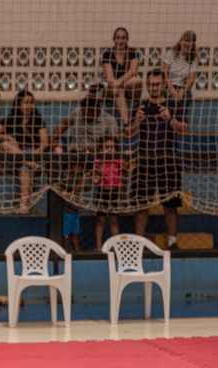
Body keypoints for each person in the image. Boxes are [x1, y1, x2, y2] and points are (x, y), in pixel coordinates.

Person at [126, 69, 188, 244]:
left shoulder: (174, 105)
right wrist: (137, 121)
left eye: (157, 84)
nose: (154, 88)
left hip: (168, 161)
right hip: (144, 161)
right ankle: (139, 243)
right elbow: (127, 134)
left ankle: (172, 243)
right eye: (151, 84)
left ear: (164, 85)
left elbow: (184, 130)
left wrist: (169, 119)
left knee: (170, 205)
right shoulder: (139, 107)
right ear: (147, 85)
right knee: (141, 206)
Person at [0, 89, 47, 214]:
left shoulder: (38, 120)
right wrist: (8, 137)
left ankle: (23, 205)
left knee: (25, 168)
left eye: (31, 102)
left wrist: (33, 154)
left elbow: (45, 142)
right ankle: (29, 163)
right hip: (14, 160)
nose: (29, 106)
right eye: (25, 103)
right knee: (5, 144)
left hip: (33, 156)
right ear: (18, 105)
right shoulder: (10, 120)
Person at [88, 133, 126, 246]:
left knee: (114, 220)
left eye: (112, 147)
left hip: (114, 192)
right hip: (102, 192)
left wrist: (128, 156)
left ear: (116, 149)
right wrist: (103, 160)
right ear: (101, 149)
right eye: (106, 147)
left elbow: (125, 171)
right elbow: (96, 174)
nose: (109, 150)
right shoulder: (98, 161)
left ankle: (115, 246)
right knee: (101, 220)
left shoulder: (118, 160)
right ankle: (99, 246)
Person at [50, 94, 120, 152]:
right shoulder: (77, 113)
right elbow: (64, 123)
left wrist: (96, 150)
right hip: (74, 153)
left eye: (86, 113)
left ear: (96, 111)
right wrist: (53, 138)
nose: (83, 115)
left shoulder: (109, 120)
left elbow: (114, 144)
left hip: (96, 155)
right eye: (82, 112)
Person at [101, 28, 143, 125]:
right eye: (118, 38)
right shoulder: (108, 54)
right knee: (117, 89)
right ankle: (127, 124)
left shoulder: (133, 53)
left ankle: (117, 86)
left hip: (129, 87)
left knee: (138, 80)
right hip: (113, 89)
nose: (120, 41)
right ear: (114, 39)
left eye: (123, 38)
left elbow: (132, 71)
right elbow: (109, 77)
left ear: (127, 39)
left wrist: (119, 82)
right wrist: (115, 85)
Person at [162, 31, 198, 120]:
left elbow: (191, 79)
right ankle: (169, 120)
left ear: (193, 45)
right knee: (169, 97)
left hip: (182, 87)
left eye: (189, 42)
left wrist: (183, 90)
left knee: (187, 96)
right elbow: (164, 73)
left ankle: (180, 122)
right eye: (185, 40)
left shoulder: (194, 59)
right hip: (168, 85)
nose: (187, 44)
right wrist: (171, 88)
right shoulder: (171, 53)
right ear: (181, 41)